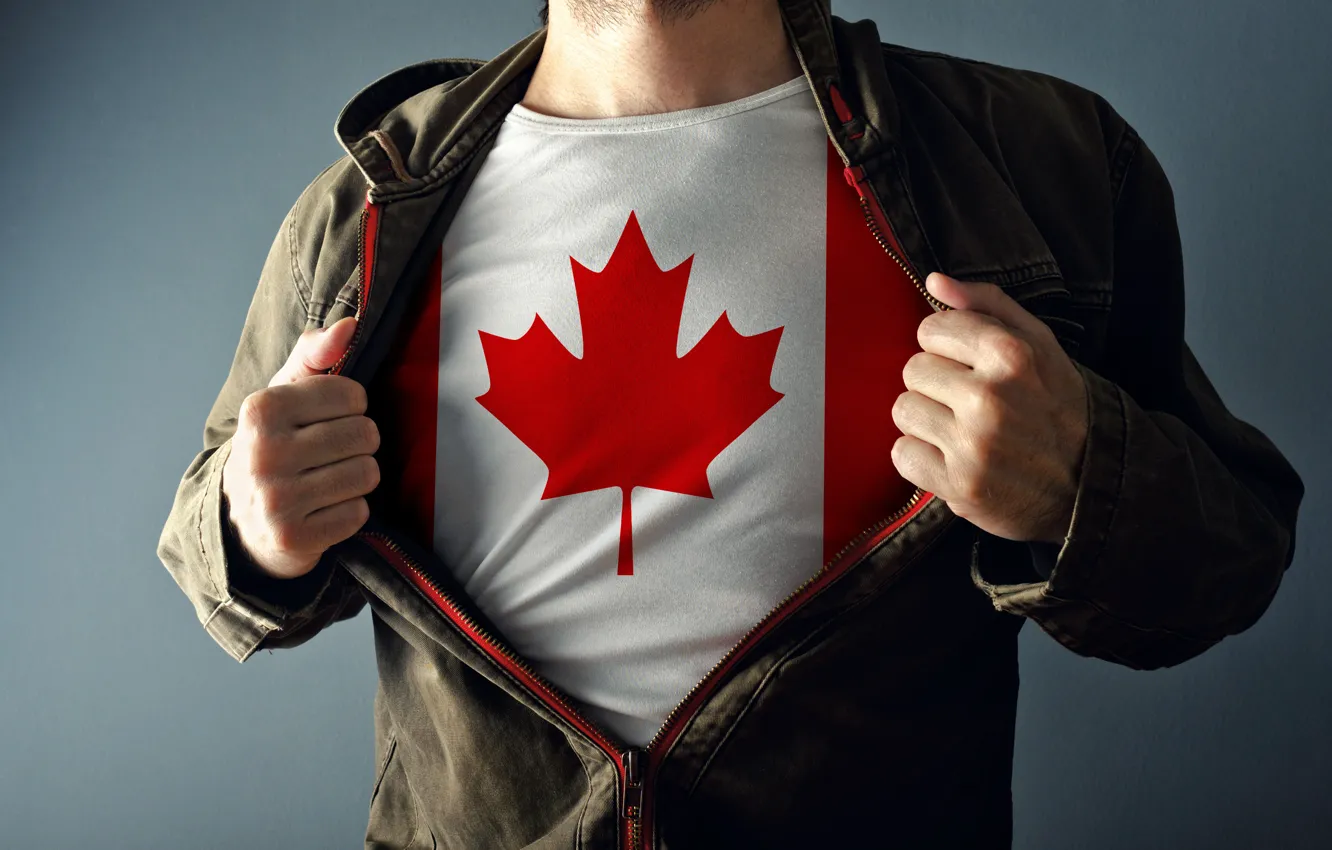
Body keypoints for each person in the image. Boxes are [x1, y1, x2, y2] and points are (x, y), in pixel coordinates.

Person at [156, 1, 1305, 847]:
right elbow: (206, 539)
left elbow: (1228, 568)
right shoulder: (367, 201)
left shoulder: (1043, 161)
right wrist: (252, 527)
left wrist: (1077, 483)